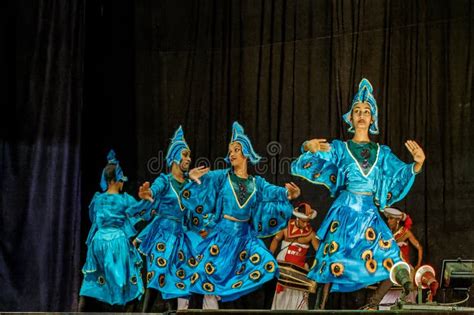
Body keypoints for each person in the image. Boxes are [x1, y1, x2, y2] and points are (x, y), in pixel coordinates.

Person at [291, 78, 426, 309]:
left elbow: (400, 172)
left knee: (392, 257)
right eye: (357, 111)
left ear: (372, 118)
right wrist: (307, 146)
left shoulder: (381, 153)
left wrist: (417, 165)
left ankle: (372, 305)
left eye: (366, 111)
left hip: (369, 213)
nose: (362, 114)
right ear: (351, 118)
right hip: (344, 211)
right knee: (330, 259)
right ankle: (318, 310)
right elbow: (308, 159)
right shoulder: (340, 148)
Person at [180, 121, 301, 305]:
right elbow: (205, 181)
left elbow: (273, 191)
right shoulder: (223, 177)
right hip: (223, 235)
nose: (232, 154)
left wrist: (288, 193)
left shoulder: (256, 182)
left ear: (245, 152)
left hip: (245, 236)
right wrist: (193, 177)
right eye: (230, 151)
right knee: (209, 276)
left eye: (236, 149)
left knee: (268, 265)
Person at [127, 126, 208, 312]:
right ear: (174, 157)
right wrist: (148, 193)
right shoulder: (164, 180)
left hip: (180, 236)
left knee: (178, 279)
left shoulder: (188, 183)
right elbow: (154, 191)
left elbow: (196, 209)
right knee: (157, 276)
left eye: (189, 156)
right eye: (185, 155)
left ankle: (176, 312)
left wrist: (195, 183)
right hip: (162, 234)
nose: (188, 159)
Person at [79, 150, 144, 311]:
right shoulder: (125, 199)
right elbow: (139, 213)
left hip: (98, 242)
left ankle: (81, 308)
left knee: (93, 281)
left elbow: (93, 218)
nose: (123, 183)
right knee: (126, 283)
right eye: (122, 180)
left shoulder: (97, 199)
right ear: (115, 180)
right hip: (117, 243)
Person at [270, 202, 319, 310]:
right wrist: (270, 257)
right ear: (297, 218)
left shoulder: (311, 234)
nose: (306, 224)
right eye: (304, 221)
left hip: (299, 270)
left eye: (308, 222)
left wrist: (314, 268)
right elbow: (276, 239)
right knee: (281, 294)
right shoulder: (285, 227)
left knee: (298, 295)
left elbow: (319, 252)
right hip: (283, 267)